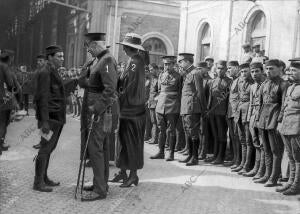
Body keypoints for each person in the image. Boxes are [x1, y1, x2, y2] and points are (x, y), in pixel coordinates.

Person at [78, 32, 118, 201]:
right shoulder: (97, 60)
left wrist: (96, 109)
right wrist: (85, 71)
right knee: (99, 148)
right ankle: (100, 183)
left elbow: (110, 90)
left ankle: (100, 190)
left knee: (96, 148)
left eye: (88, 47)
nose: (88, 51)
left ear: (94, 45)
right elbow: (88, 83)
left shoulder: (107, 60)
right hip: (95, 111)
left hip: (100, 112)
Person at [112, 33, 146, 187]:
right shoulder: (134, 61)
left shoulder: (134, 62)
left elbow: (129, 86)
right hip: (131, 109)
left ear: (130, 48)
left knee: (130, 143)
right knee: (124, 142)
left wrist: (118, 95)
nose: (124, 49)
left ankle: (132, 175)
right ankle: (123, 172)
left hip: (131, 110)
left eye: (125, 46)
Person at [34, 45, 69, 192]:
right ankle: (38, 183)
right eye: (59, 56)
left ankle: (44, 177)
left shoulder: (52, 71)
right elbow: (42, 98)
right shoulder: (45, 72)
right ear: (50, 57)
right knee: (45, 148)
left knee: (50, 148)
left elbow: (57, 92)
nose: (62, 58)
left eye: (62, 56)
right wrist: (45, 122)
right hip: (50, 120)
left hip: (56, 118)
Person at [254, 59, 289, 187]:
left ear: (280, 69)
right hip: (263, 120)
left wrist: (279, 121)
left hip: (274, 120)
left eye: (272, 68)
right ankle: (267, 175)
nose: (268, 71)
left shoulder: (284, 84)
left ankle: (274, 178)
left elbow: (284, 104)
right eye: (267, 69)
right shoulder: (264, 84)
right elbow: (261, 103)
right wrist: (258, 119)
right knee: (266, 149)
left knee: (276, 150)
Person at [150, 55, 181, 161]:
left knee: (171, 130)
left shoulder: (178, 76)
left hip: (172, 106)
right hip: (160, 105)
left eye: (169, 64)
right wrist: (155, 99)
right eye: (165, 64)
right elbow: (158, 90)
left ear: (173, 65)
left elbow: (180, 92)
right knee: (161, 130)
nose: (167, 66)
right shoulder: (161, 75)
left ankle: (171, 153)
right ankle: (161, 152)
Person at [178, 53, 206, 166]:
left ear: (188, 61)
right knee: (188, 131)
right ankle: (190, 155)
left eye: (181, 61)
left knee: (193, 133)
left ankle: (195, 157)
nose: (180, 63)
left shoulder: (196, 73)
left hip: (192, 108)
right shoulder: (188, 73)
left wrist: (203, 109)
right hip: (186, 107)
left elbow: (200, 92)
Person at [277, 58, 300, 195]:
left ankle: (297, 185)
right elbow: (285, 106)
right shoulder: (291, 86)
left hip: (297, 127)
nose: (290, 73)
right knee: (291, 156)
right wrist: (280, 123)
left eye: (294, 70)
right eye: (290, 70)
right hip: (286, 126)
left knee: (298, 158)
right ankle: (290, 182)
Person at [206, 60, 232, 164]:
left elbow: (229, 99)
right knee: (215, 135)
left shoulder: (229, 82)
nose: (220, 70)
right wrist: (208, 110)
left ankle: (221, 157)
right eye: (218, 68)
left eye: (222, 68)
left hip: (223, 112)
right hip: (212, 111)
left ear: (226, 70)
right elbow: (210, 97)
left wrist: (227, 113)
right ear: (215, 69)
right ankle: (215, 155)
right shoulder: (212, 81)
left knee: (222, 135)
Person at [244, 62, 266, 178]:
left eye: (257, 71)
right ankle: (256, 168)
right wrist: (248, 120)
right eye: (252, 72)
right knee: (255, 143)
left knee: (263, 145)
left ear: (262, 71)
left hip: (263, 119)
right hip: (253, 118)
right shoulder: (252, 86)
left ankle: (262, 170)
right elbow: (252, 104)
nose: (254, 74)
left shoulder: (266, 84)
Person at [232, 63, 254, 174]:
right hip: (240, 112)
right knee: (242, 140)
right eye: (242, 72)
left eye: (246, 71)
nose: (243, 74)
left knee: (248, 141)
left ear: (250, 71)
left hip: (248, 113)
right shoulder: (240, 82)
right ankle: (242, 163)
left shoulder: (253, 83)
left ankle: (247, 165)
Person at [226, 61, 240, 168]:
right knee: (232, 137)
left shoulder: (240, 80)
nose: (228, 70)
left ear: (237, 68)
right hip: (230, 112)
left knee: (237, 137)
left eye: (230, 68)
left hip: (237, 113)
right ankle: (235, 158)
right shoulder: (233, 81)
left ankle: (238, 160)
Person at [0, 52, 13, 155]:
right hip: (2, 99)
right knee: (3, 122)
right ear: (9, 59)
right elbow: (10, 83)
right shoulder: (5, 67)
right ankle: (1, 143)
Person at [146, 63, 159, 145]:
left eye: (152, 70)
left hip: (156, 103)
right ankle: (152, 138)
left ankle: (155, 139)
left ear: (156, 69)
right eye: (150, 70)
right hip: (151, 103)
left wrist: (155, 100)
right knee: (152, 121)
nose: (151, 71)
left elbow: (159, 92)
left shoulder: (159, 79)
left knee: (155, 122)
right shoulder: (152, 79)